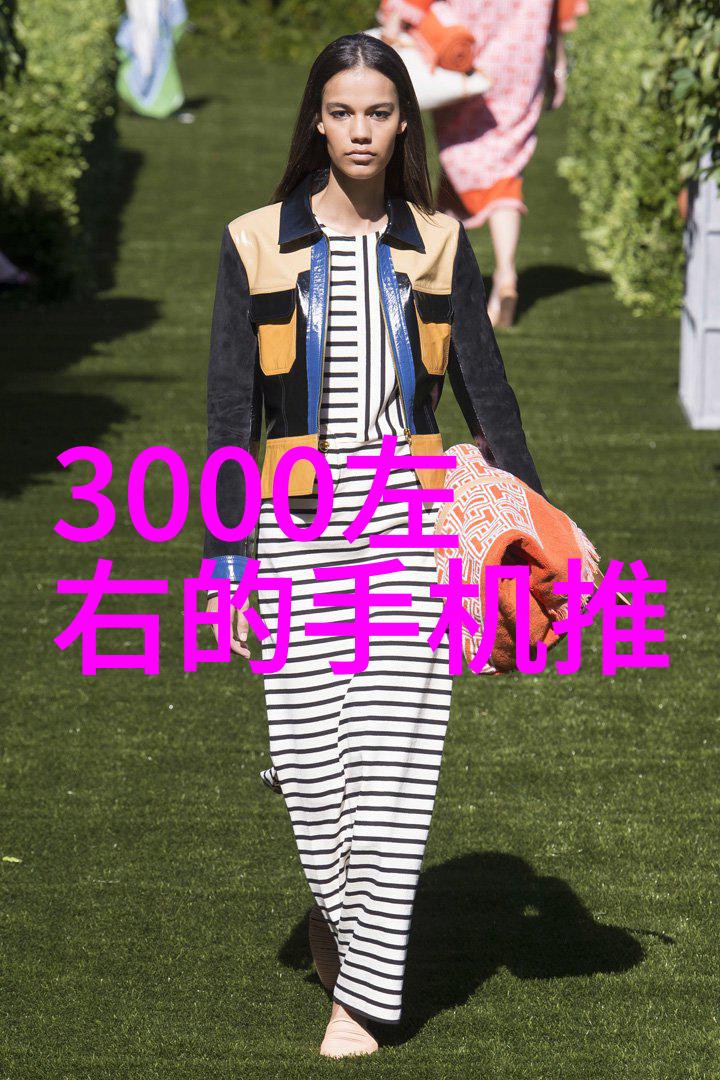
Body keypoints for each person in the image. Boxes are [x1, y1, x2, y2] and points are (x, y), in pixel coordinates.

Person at [203, 32, 545, 1058]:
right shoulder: (254, 240)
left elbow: (486, 390)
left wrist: (534, 526)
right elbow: (230, 411)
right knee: (313, 769)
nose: (360, 130)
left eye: (380, 113)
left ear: (404, 126)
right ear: (317, 120)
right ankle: (335, 911)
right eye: (343, 111)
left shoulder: (438, 240)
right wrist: (227, 563)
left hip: (410, 519)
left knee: (393, 761)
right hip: (293, 525)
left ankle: (361, 999)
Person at [430, 0, 589, 328]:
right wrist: (558, 65)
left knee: (459, 157)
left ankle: (439, 276)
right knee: (505, 166)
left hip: (465, 59)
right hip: (521, 64)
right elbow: (559, 13)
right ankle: (505, 276)